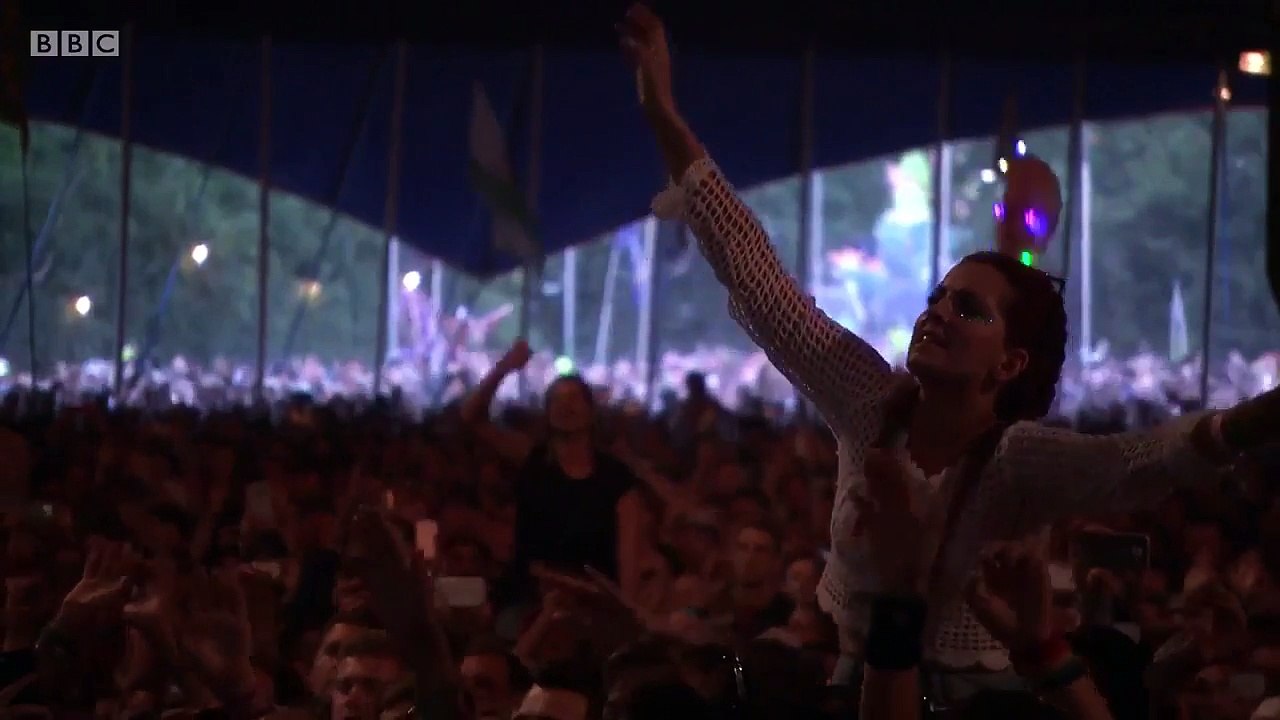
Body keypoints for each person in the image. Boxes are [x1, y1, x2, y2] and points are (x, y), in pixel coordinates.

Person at [618, 0, 1280, 697]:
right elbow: (758, 280)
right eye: (937, 296)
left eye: (968, 308)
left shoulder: (1019, 459)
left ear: (1011, 363)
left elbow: (1147, 460)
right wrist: (664, 111)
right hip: (856, 687)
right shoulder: (869, 403)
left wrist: (1255, 422)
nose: (936, 313)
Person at [463, 339, 646, 606]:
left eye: (574, 399)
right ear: (547, 413)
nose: (565, 406)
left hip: (590, 608)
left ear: (590, 412)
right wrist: (503, 368)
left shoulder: (617, 481)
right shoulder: (533, 458)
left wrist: (624, 612)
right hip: (529, 601)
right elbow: (471, 418)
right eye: (557, 400)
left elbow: (628, 563)